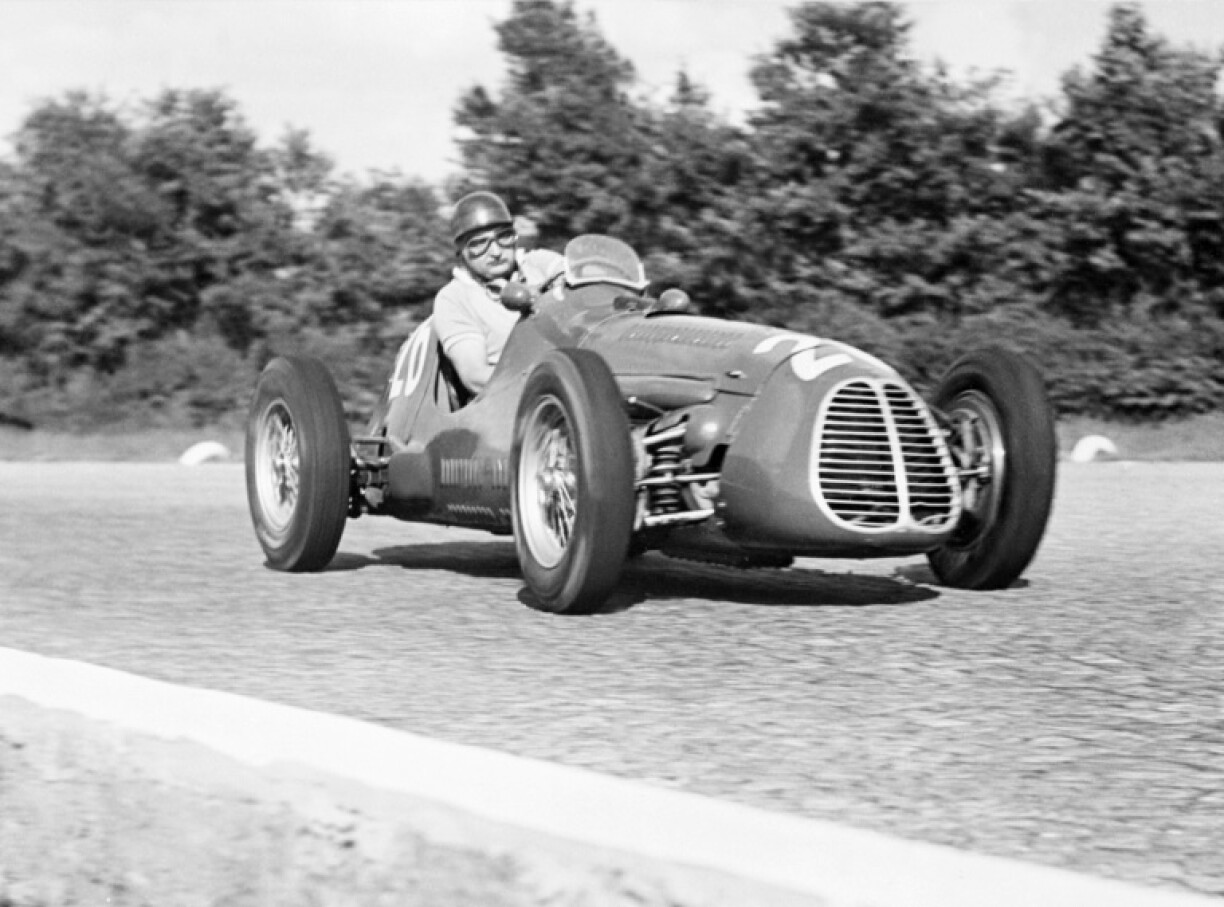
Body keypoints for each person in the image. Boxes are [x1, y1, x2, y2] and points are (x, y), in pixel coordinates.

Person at [432, 191, 563, 394]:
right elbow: (475, 376)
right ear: (461, 252)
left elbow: (583, 283)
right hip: (513, 404)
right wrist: (547, 381)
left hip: (579, 380)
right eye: (478, 244)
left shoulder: (540, 263)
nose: (495, 252)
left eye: (504, 237)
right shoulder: (454, 298)